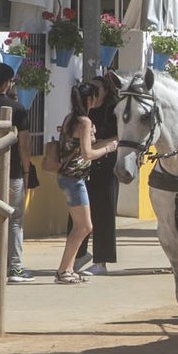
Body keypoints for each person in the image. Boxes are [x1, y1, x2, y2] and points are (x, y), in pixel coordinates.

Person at [54, 82, 119, 284]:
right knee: (84, 227)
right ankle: (63, 270)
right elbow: (88, 154)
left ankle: (68, 268)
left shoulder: (70, 119)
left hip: (67, 176)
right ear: (90, 99)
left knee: (81, 226)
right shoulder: (84, 122)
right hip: (75, 179)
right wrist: (109, 148)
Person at [0, 63, 35, 282]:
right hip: (10, 173)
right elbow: (24, 145)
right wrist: (27, 170)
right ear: (7, 82)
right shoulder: (17, 109)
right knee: (15, 220)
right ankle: (15, 268)